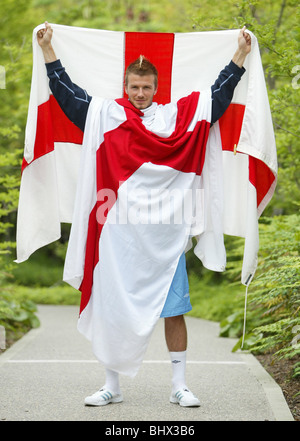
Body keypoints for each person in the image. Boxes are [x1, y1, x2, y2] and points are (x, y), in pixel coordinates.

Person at [37, 22, 251, 407]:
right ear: (126, 87)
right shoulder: (107, 115)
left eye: (146, 87)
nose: (139, 93)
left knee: (175, 311)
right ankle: (112, 386)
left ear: (155, 88)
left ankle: (179, 385)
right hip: (119, 235)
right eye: (134, 87)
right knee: (113, 309)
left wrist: (238, 57)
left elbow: (216, 99)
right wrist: (50, 51)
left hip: (166, 237)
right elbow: (69, 97)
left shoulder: (175, 118)